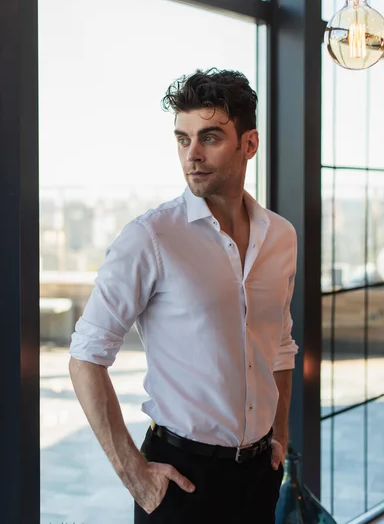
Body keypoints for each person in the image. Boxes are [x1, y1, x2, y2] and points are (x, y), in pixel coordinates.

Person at [69, 68, 298, 524]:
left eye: (209, 137)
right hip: (181, 481)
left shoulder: (282, 238)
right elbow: (85, 357)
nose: (191, 154)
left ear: (248, 144)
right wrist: (135, 475)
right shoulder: (151, 237)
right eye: (182, 139)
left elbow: (281, 345)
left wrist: (280, 436)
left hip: (258, 475)